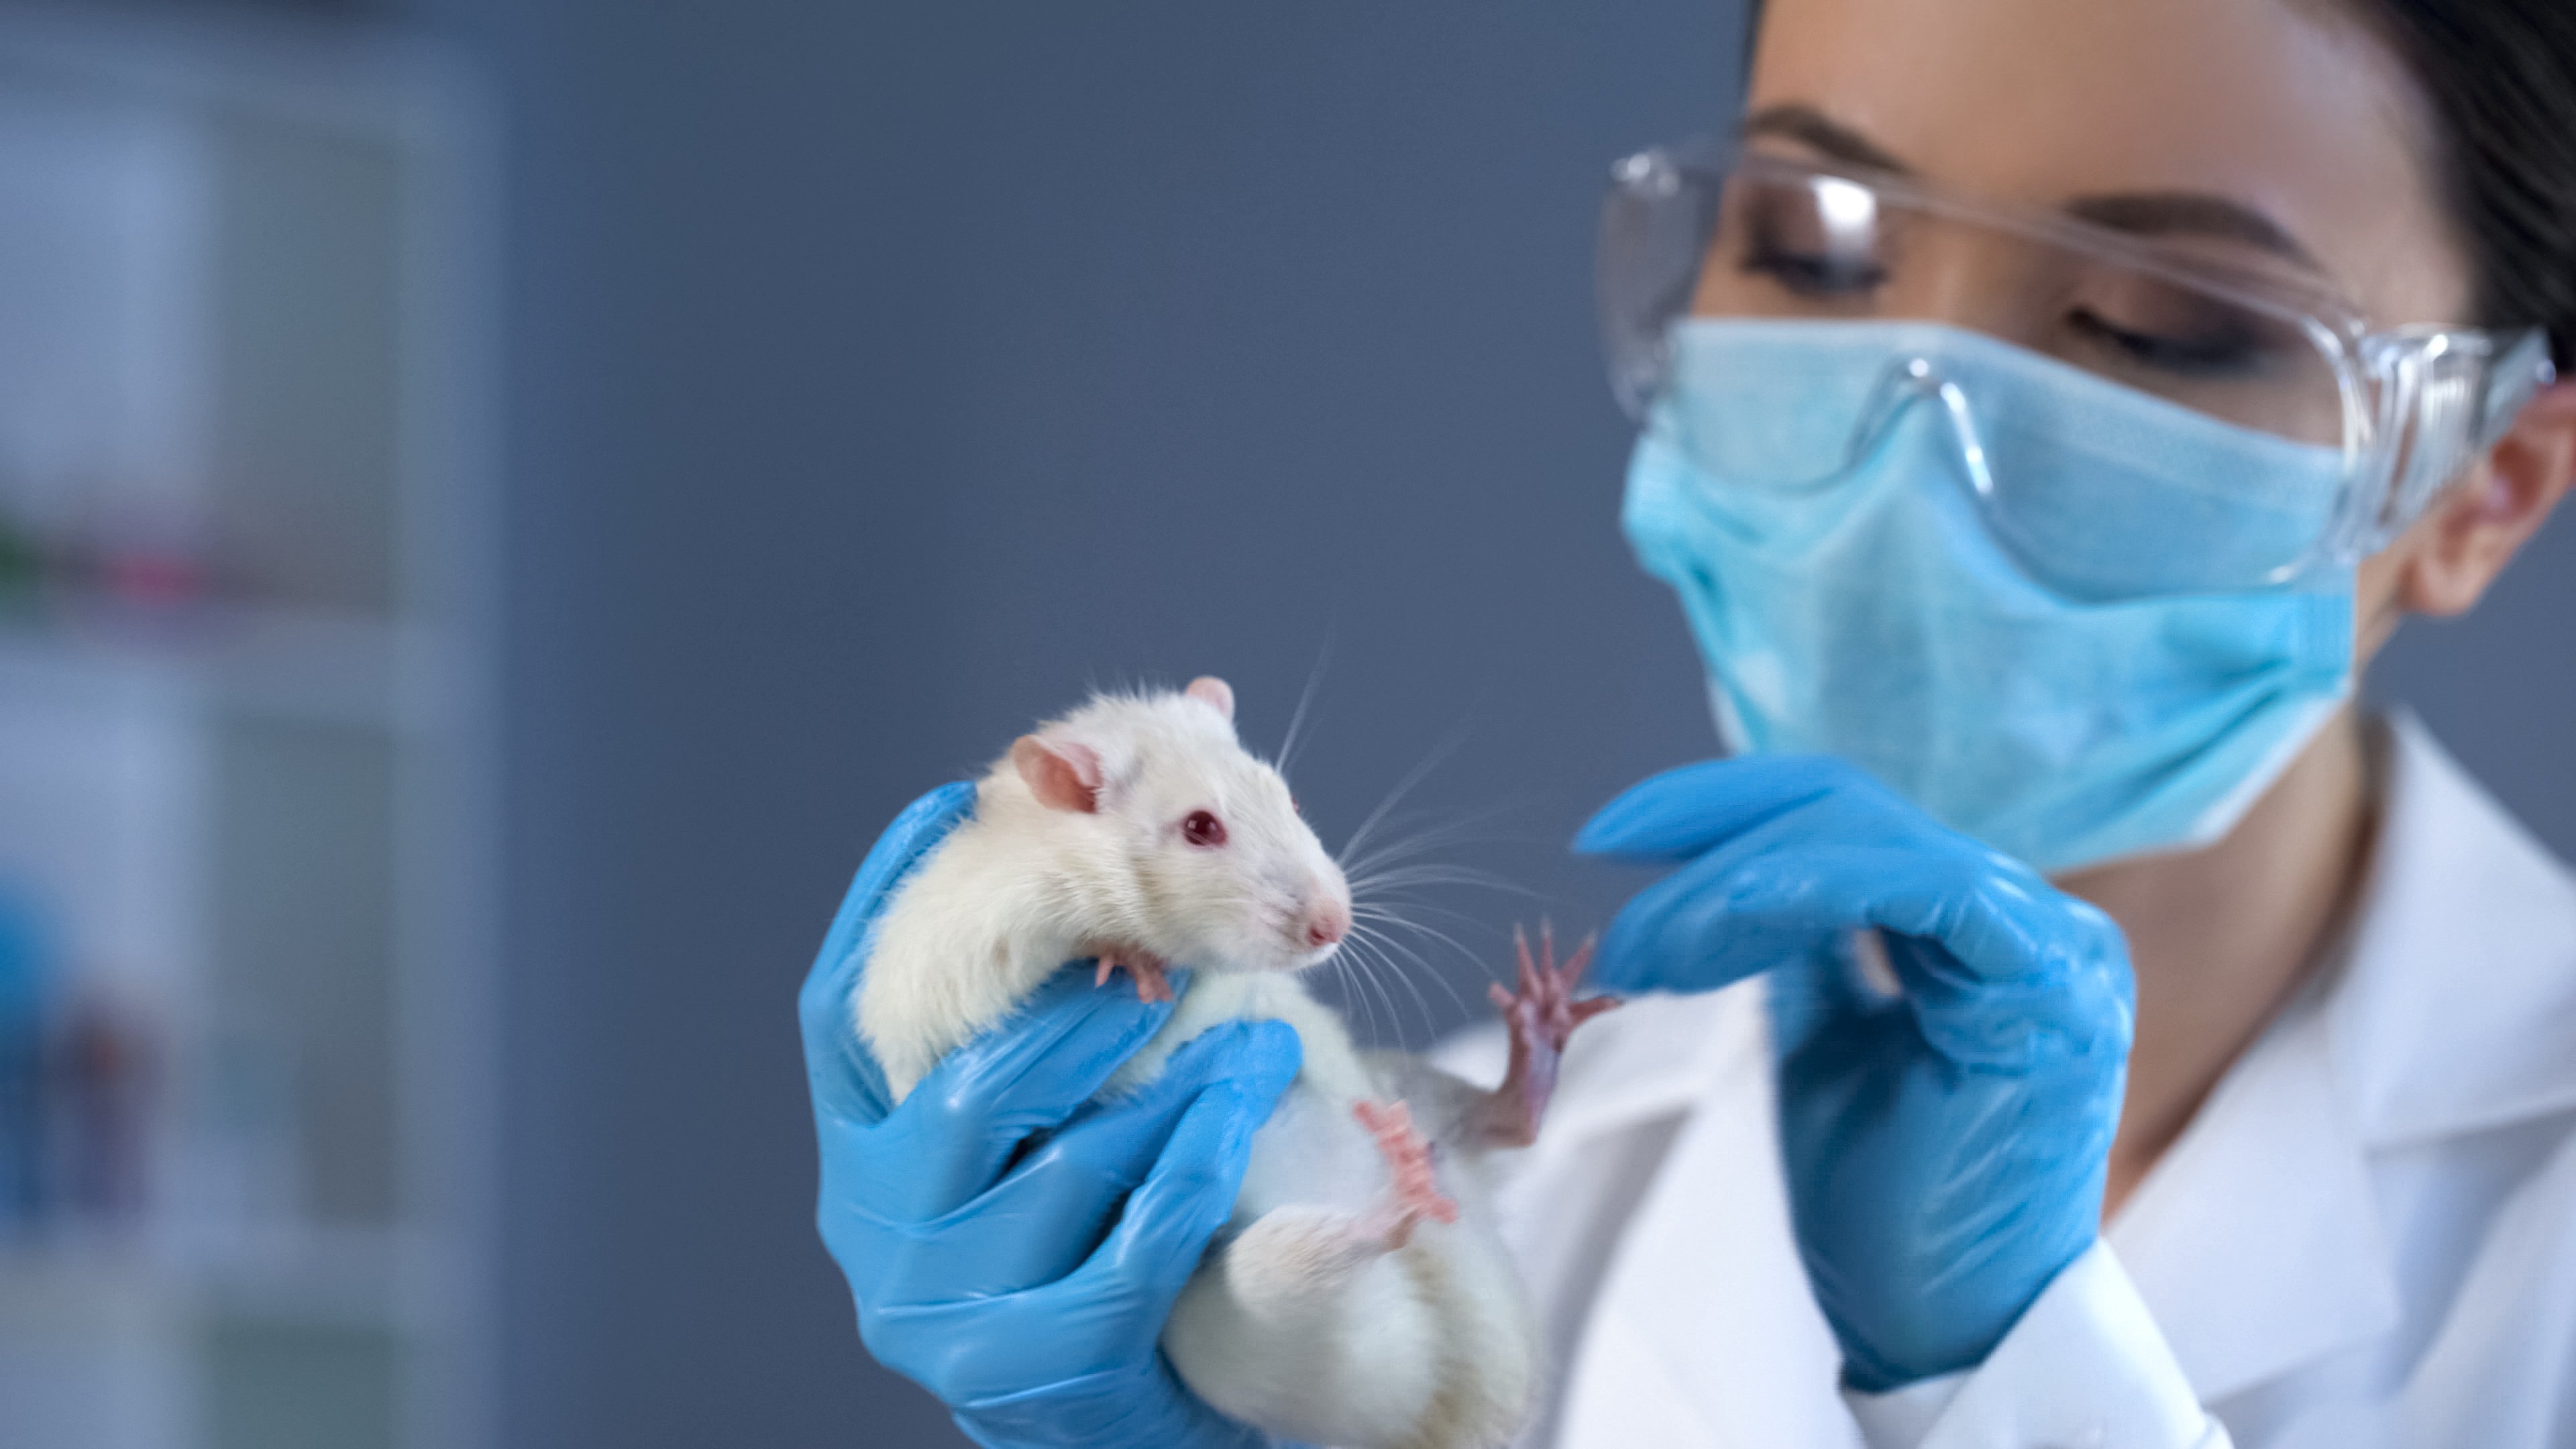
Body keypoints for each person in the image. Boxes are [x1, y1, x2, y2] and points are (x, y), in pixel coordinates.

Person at [799, 0, 2576, 1444]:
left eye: (2162, 326)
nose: (1903, 449)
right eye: (1811, 253)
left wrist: (2011, 1376)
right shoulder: (1491, 1150)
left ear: (2488, 484)